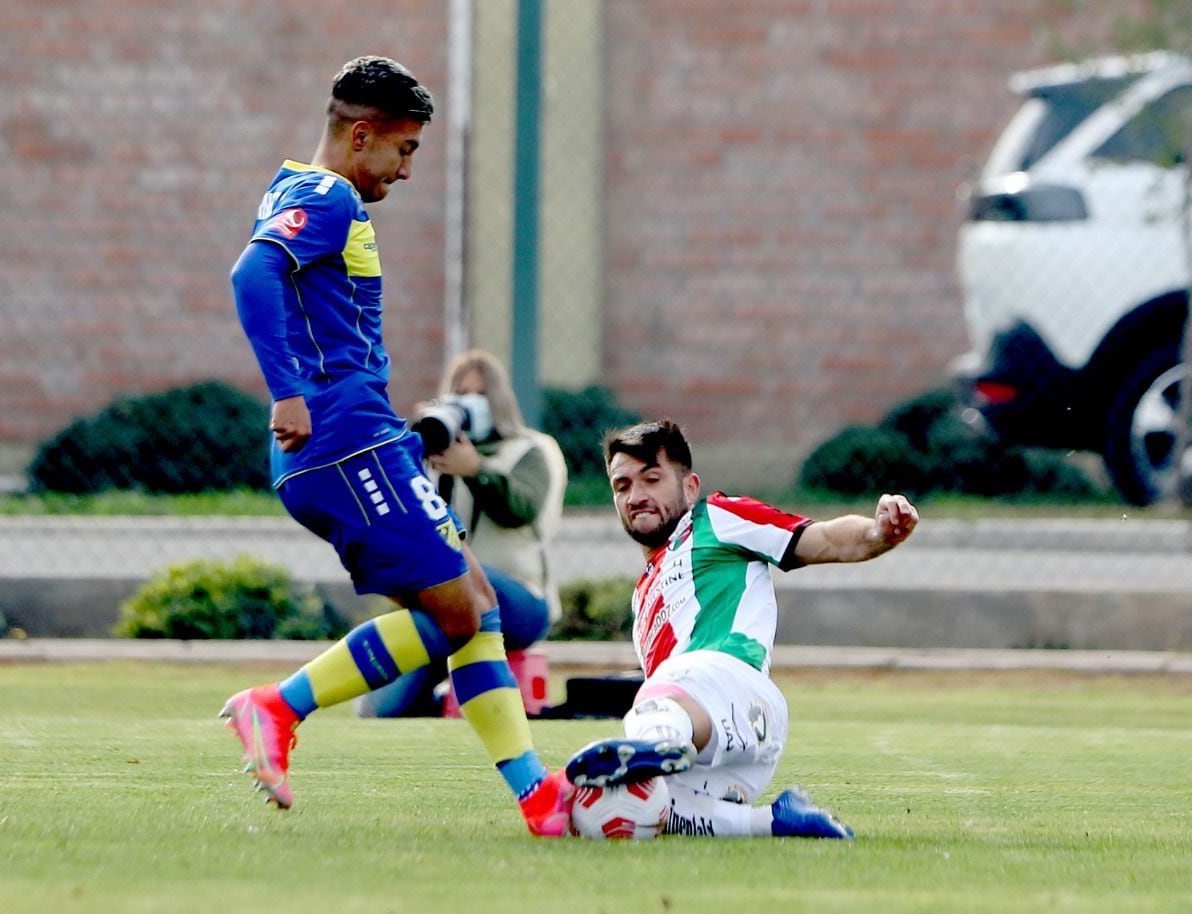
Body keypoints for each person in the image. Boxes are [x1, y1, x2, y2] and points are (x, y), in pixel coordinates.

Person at [220, 56, 572, 836]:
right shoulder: (329, 194)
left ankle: (538, 799)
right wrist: (286, 391)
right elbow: (252, 275)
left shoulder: (298, 191)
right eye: (405, 149)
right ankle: (274, 708)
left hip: (363, 443)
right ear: (361, 134)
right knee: (458, 614)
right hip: (345, 446)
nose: (408, 169)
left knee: (476, 608)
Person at [563, 419, 920, 838]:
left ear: (690, 487)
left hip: (733, 685)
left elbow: (823, 539)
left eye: (652, 479)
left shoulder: (716, 518)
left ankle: (657, 740)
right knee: (646, 805)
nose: (636, 496)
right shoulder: (642, 597)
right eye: (622, 486)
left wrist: (877, 532)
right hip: (737, 749)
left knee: (656, 700)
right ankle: (777, 820)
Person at [358, 349, 567, 718]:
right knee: (382, 710)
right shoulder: (432, 457)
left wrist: (477, 469)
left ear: (498, 400)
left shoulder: (531, 449)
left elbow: (522, 508)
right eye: (460, 394)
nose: (469, 404)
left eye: (480, 395)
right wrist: (411, 454)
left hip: (522, 602)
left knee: (458, 582)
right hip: (452, 608)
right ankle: (413, 700)